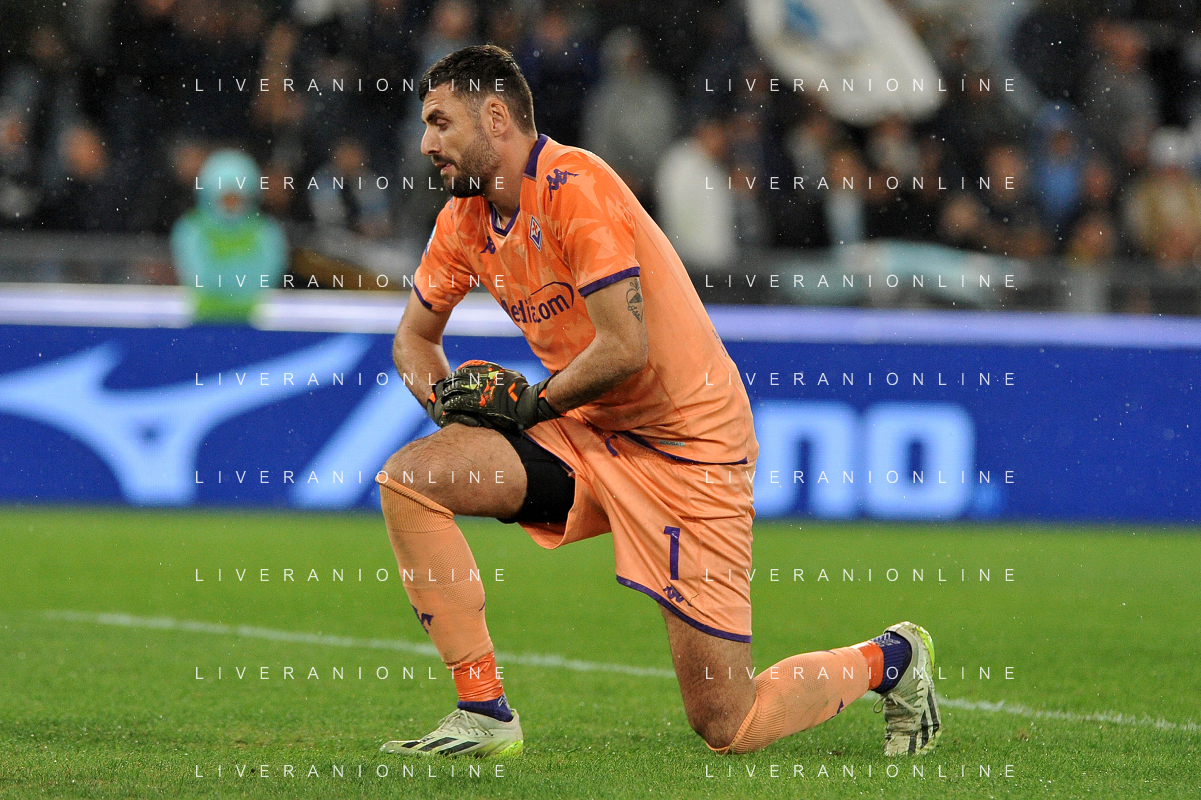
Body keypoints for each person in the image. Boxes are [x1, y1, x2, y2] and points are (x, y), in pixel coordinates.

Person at [376, 45, 941, 759]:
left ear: (495, 117)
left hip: (689, 446)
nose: (425, 144)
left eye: (439, 122)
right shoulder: (463, 220)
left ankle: (891, 659)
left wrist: (526, 407)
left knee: (728, 724)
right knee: (412, 478)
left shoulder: (574, 186)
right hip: (586, 432)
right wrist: (448, 404)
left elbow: (625, 348)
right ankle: (483, 711)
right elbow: (413, 338)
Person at [170, 149, 287, 323]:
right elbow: (199, 276)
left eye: (237, 197)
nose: (231, 204)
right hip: (202, 319)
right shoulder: (191, 229)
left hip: (254, 320)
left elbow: (268, 276)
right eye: (225, 197)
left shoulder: (266, 231)